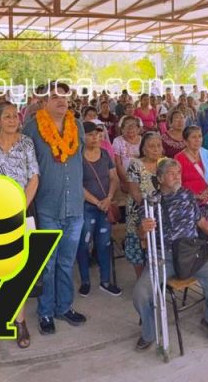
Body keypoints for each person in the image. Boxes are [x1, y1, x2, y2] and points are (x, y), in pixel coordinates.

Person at [132, 159, 208, 352]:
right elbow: (141, 235)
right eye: (172, 173)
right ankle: (150, 332)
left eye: (178, 173)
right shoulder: (150, 202)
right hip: (163, 256)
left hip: (190, 252)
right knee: (140, 294)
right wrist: (143, 229)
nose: (177, 176)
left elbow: (200, 221)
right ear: (160, 178)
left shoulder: (187, 195)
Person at [22, 81, 86, 335]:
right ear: (44, 102)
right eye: (55, 97)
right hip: (48, 206)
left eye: (64, 96)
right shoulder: (32, 128)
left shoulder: (77, 126)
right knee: (47, 264)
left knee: (67, 262)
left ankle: (64, 307)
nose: (61, 100)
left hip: (75, 207)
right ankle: (46, 312)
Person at [0, 100, 39, 352]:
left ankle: (19, 320)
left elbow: (33, 178)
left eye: (15, 116)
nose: (13, 120)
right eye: (7, 116)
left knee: (19, 270)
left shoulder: (26, 143)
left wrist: (19, 208)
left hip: (21, 212)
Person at [76, 121, 121, 299]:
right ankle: (85, 281)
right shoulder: (77, 157)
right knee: (84, 243)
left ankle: (105, 281)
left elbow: (114, 178)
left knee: (104, 243)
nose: (95, 137)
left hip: (105, 206)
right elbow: (77, 185)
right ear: (82, 136)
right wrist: (97, 202)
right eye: (90, 134)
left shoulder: (105, 154)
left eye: (97, 134)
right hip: (87, 207)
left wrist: (108, 198)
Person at [125, 132, 163, 278]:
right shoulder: (135, 165)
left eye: (158, 146)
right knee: (138, 250)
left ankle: (157, 280)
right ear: (143, 149)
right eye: (151, 146)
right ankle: (141, 281)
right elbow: (135, 192)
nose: (156, 149)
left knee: (158, 248)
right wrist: (150, 209)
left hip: (160, 214)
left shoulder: (165, 164)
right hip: (139, 213)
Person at [176, 125, 208, 225]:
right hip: (189, 202)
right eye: (193, 137)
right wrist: (195, 196)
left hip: (207, 199)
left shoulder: (206, 153)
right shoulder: (179, 158)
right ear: (185, 141)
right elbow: (176, 183)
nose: (198, 140)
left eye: (200, 136)